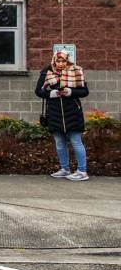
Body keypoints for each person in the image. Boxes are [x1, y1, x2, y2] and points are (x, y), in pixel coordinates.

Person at [35, 49, 90, 181]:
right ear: (54, 60)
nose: (60, 63)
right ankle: (64, 169)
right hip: (54, 112)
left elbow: (85, 91)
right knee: (59, 142)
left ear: (68, 60)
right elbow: (38, 91)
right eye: (58, 60)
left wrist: (70, 91)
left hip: (72, 111)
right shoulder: (47, 72)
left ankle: (82, 171)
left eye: (63, 60)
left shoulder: (76, 71)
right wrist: (51, 94)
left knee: (76, 141)